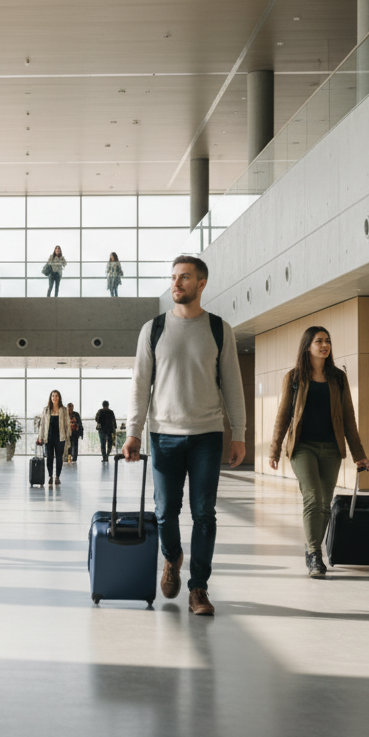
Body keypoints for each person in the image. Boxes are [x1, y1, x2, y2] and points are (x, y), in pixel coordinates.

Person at [123, 255, 247, 617]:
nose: (176, 284)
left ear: (201, 284)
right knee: (164, 513)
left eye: (185, 278)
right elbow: (139, 385)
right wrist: (133, 432)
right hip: (163, 435)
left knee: (204, 514)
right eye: (174, 277)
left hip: (207, 435)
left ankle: (198, 589)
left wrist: (238, 432)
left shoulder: (220, 329)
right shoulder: (153, 329)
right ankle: (172, 557)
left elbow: (233, 386)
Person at [268, 326, 369, 578]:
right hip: (303, 447)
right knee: (313, 497)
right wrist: (274, 449)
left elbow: (348, 418)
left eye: (328, 341)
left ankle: (310, 546)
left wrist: (359, 454)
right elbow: (283, 416)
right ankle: (315, 554)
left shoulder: (338, 378)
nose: (324, 345)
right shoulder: (294, 378)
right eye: (319, 341)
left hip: (331, 449)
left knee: (325, 503)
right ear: (307, 346)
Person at [36, 390, 71, 485]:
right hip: (49, 437)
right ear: (50, 398)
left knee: (59, 458)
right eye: (53, 396)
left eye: (56, 396)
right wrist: (40, 437)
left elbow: (67, 424)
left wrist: (68, 436)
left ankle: (57, 477)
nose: (54, 397)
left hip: (60, 438)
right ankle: (50, 476)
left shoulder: (63, 410)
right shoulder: (46, 410)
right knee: (49, 457)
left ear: (59, 398)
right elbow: (42, 424)